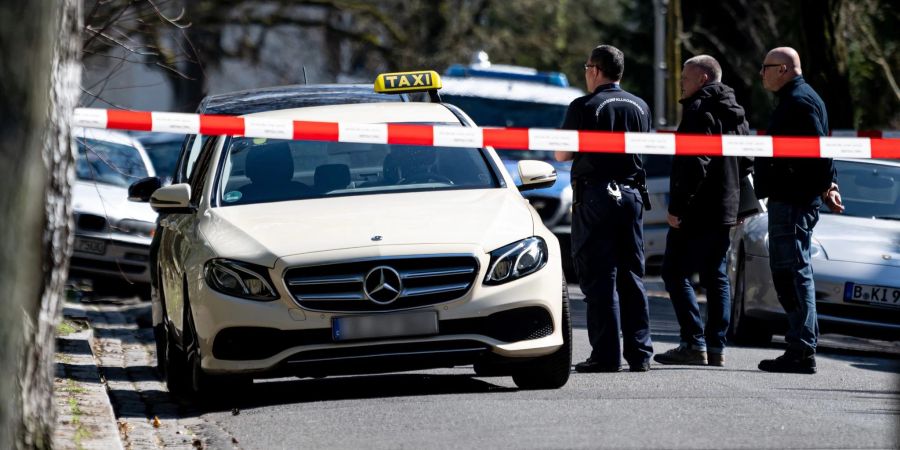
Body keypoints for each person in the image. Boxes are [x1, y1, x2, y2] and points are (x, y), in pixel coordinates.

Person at [555, 45, 654, 373]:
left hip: (596, 196)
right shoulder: (640, 106)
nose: (585, 73)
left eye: (586, 67)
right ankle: (640, 354)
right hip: (631, 196)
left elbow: (563, 155)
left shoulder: (584, 106)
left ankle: (606, 355)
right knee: (631, 276)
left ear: (596, 70)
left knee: (600, 277)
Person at [653, 55, 752, 367]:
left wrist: (677, 207)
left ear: (704, 79)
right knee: (716, 275)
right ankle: (716, 348)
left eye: (686, 76)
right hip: (725, 207)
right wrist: (737, 201)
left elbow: (695, 162)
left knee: (673, 272)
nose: (681, 81)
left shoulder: (699, 109)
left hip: (696, 208)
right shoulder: (737, 113)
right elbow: (749, 160)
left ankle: (694, 343)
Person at [754, 47, 843, 374]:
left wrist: (826, 185)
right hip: (788, 198)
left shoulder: (800, 101)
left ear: (783, 69)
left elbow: (819, 151)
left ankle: (802, 349)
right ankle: (800, 345)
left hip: (793, 201)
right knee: (789, 272)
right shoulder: (798, 98)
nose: (761, 74)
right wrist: (829, 185)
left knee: (793, 272)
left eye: (765, 68)